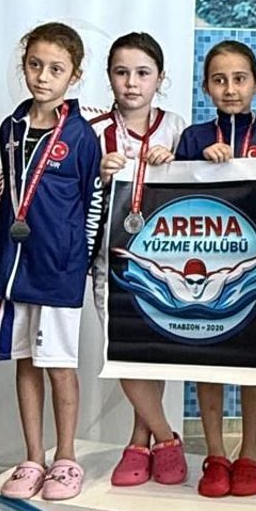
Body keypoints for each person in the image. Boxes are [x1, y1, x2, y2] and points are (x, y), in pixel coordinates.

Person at [0, 22, 104, 501]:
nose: (42, 76)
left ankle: (66, 458)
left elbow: (92, 202)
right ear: (24, 66)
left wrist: (80, 262)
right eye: (35, 65)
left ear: (73, 77)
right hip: (16, 265)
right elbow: (8, 195)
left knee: (58, 364)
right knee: (26, 362)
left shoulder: (80, 135)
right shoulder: (10, 128)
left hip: (58, 268)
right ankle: (33, 457)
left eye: (56, 69)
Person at [175, 40, 256, 498]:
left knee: (253, 362)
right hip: (206, 271)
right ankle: (216, 454)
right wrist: (195, 165)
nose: (230, 89)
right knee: (209, 358)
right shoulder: (194, 138)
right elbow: (175, 201)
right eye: (219, 80)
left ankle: (250, 454)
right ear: (206, 87)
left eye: (239, 79)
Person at [88, 32, 189, 488]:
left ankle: (138, 442)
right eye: (121, 72)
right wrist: (98, 174)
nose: (131, 83)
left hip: (161, 262)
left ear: (160, 78)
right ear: (109, 76)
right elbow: (74, 194)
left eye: (143, 73)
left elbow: (195, 191)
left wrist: (176, 163)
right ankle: (166, 438)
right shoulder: (94, 131)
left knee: (152, 351)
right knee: (123, 350)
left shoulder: (176, 127)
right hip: (109, 261)